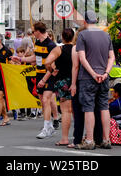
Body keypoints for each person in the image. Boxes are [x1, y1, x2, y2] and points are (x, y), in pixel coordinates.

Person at [75, 10, 115, 150]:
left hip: (87, 78)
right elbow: (111, 57)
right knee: (104, 107)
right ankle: (106, 139)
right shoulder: (106, 35)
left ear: (85, 21)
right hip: (103, 77)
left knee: (88, 108)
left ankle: (90, 140)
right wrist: (105, 73)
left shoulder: (82, 35)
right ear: (96, 20)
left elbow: (82, 58)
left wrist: (92, 74)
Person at [12, 22, 58, 139]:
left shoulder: (51, 45)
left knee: (46, 100)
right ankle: (49, 126)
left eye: (33, 32)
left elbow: (53, 66)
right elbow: (35, 57)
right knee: (43, 101)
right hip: (38, 73)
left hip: (48, 75)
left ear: (38, 31)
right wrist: (21, 59)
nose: (32, 34)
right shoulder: (37, 43)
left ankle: (46, 127)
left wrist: (44, 79)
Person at [45, 28, 75, 146]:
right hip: (75, 80)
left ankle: (64, 138)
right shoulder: (76, 48)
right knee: (76, 110)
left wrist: (52, 70)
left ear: (62, 37)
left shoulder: (59, 49)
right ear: (73, 37)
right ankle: (78, 137)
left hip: (62, 81)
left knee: (66, 111)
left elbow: (47, 62)